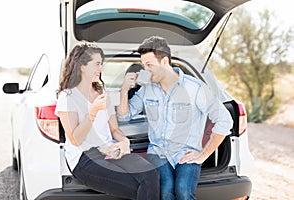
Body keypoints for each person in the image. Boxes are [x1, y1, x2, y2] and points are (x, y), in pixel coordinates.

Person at [117, 36, 233, 200]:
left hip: (186, 152)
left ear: (164, 62)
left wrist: (203, 155)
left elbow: (225, 120)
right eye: (144, 65)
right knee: (166, 190)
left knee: (183, 191)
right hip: (158, 152)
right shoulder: (146, 89)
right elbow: (124, 115)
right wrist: (124, 90)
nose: (145, 70)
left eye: (149, 65)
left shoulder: (195, 88)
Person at [55, 42, 159, 200]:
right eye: (97, 64)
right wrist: (94, 110)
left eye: (101, 64)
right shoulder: (68, 97)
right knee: (139, 187)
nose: (101, 69)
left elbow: (114, 130)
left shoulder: (103, 92)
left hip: (110, 151)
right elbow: (75, 140)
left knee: (151, 175)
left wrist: (124, 141)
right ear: (82, 66)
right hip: (84, 157)